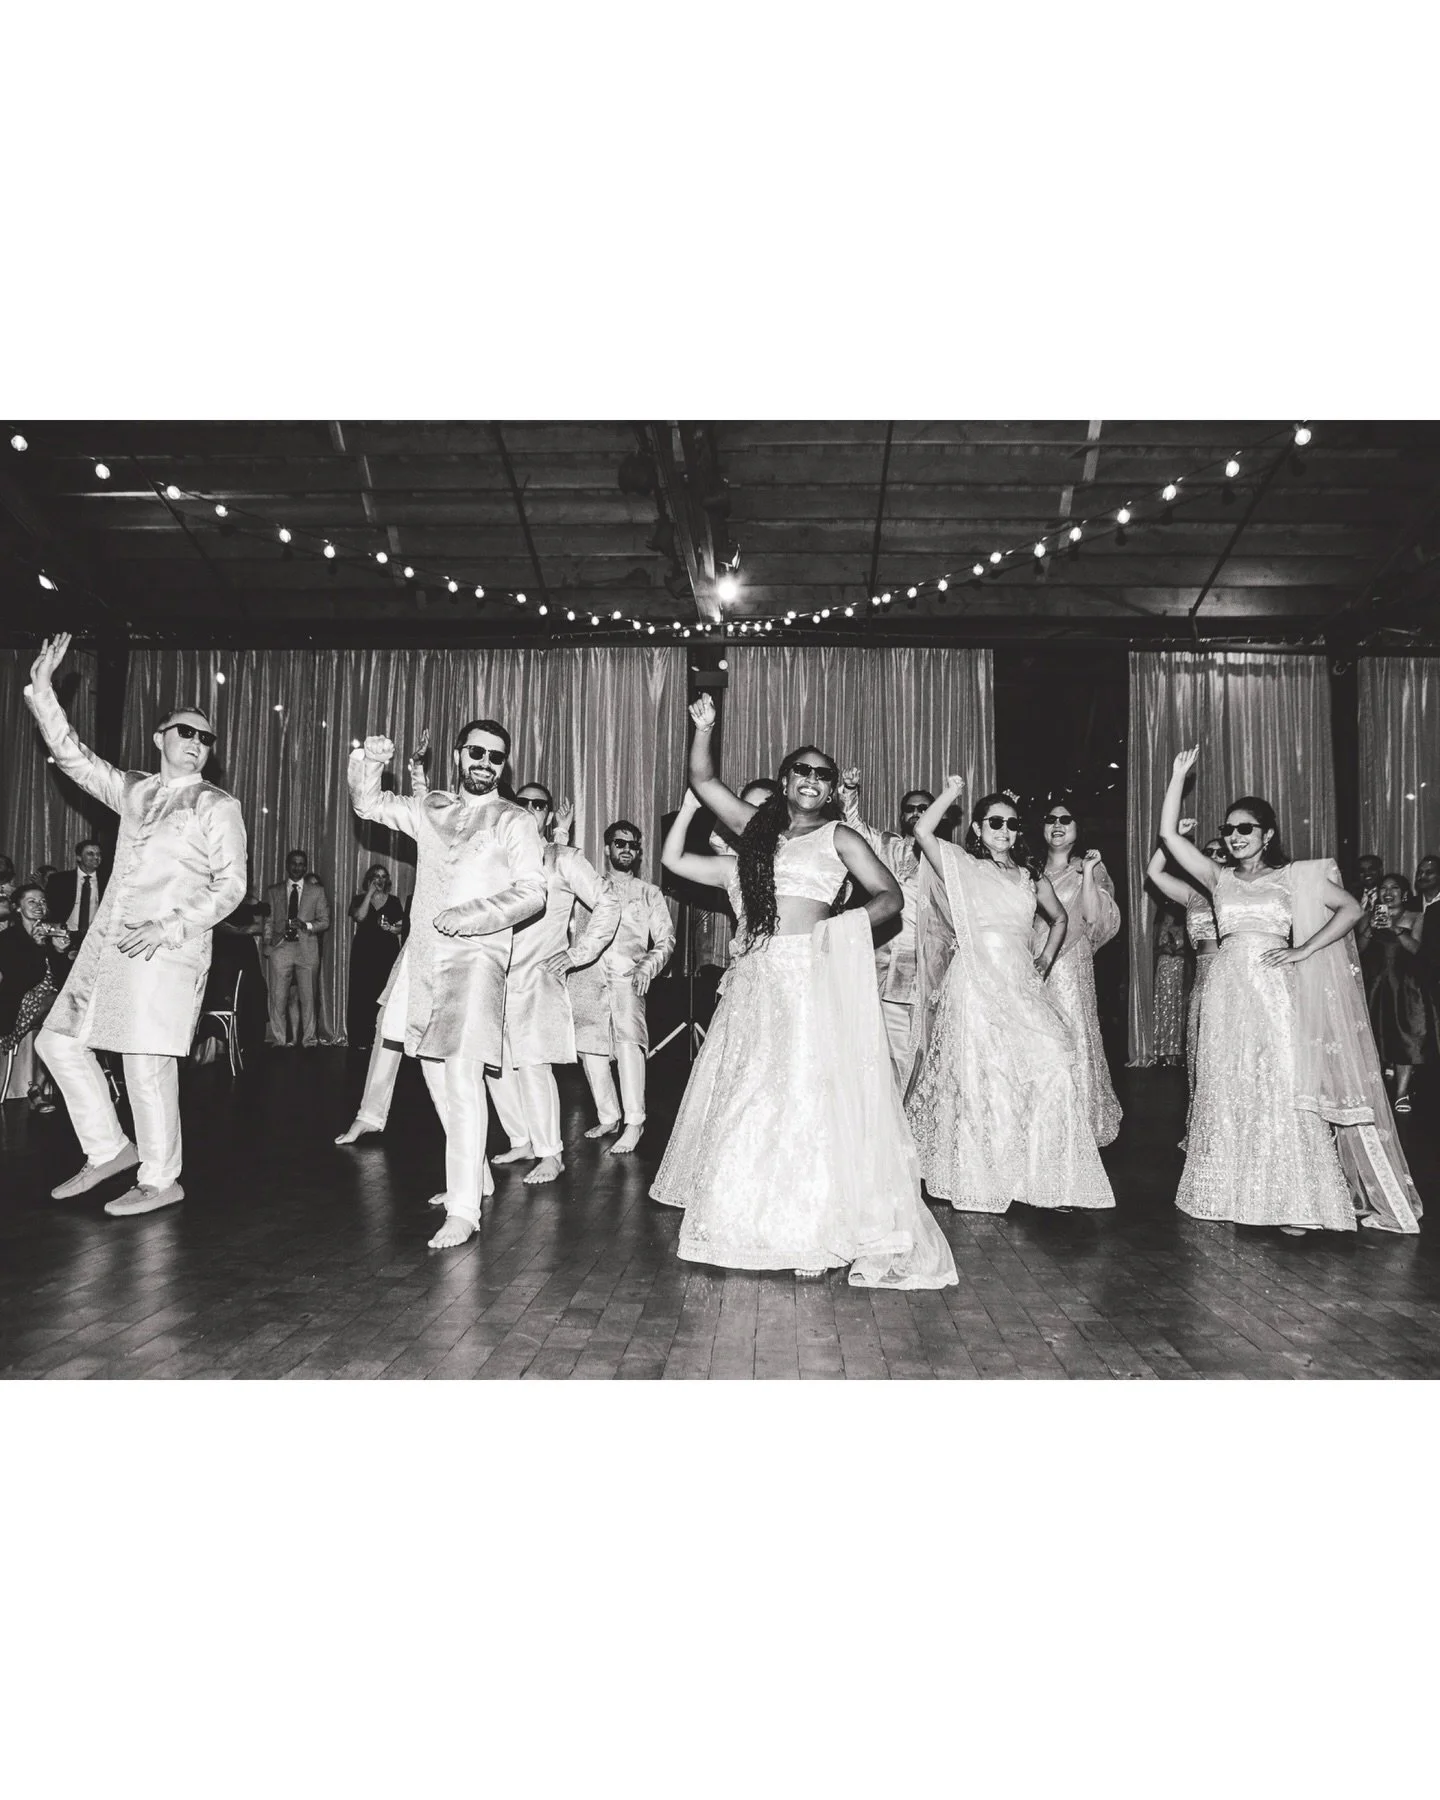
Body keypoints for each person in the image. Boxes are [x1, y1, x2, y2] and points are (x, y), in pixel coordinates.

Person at [651, 698, 956, 1289]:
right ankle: (743, 1222)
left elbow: (889, 898)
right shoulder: (757, 832)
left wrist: (834, 934)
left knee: (808, 1097)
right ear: (787, 780)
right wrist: (704, 728)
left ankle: (817, 1229)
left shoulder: (840, 836)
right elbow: (702, 779)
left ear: (832, 787)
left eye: (823, 774)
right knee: (751, 1095)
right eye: (803, 772)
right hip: (760, 978)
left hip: (812, 973)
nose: (813, 781)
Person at [25, 633, 248, 1215]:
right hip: (106, 947)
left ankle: (160, 1175)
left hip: (166, 951)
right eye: (186, 733)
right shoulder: (135, 790)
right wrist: (45, 692)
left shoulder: (217, 805)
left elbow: (233, 887)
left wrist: (172, 926)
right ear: (161, 738)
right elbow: (73, 757)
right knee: (56, 1041)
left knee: (144, 1061)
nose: (197, 743)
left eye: (206, 737)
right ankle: (108, 1150)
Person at [1158, 747, 1420, 1234]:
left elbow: (1350, 910)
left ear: (1267, 835)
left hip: (1275, 991)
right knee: (1227, 1084)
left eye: (1245, 829)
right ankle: (1230, 1191)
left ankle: (1294, 1198)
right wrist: (1177, 778)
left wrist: (1303, 952)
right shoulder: (1218, 879)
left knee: (1280, 1085)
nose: (1234, 837)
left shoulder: (1293, 877)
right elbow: (1170, 837)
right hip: (1225, 993)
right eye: (1228, 829)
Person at [348, 717, 545, 1249]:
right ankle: (474, 1175)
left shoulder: (514, 819)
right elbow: (368, 805)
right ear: (459, 755)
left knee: (461, 1078)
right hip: (423, 959)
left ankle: (463, 1210)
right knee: (431, 1068)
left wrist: (476, 915)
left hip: (477, 957)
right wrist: (370, 761)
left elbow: (533, 892)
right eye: (476, 752)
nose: (485, 763)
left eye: (496, 757)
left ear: (504, 765)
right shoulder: (431, 808)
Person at [904, 779, 1116, 1215]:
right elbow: (923, 833)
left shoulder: (1029, 875)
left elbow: (1059, 919)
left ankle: (1047, 1179)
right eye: (995, 822)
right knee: (985, 1081)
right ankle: (984, 1182)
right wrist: (950, 794)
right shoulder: (962, 865)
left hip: (1019, 980)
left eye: (1012, 824)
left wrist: (1042, 963)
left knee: (1053, 1063)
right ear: (978, 829)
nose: (1004, 830)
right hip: (975, 980)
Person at [486, 782, 620, 1183]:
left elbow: (608, 902)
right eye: (522, 803)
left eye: (539, 805)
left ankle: (551, 1153)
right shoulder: (498, 860)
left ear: (546, 813)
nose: (530, 810)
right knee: (495, 1067)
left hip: (538, 978)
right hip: (493, 976)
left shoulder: (563, 859)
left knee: (532, 1065)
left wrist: (578, 955)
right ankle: (521, 1139)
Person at [569, 819, 675, 1155]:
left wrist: (648, 965)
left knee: (630, 1046)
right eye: (619, 843)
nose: (626, 849)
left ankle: (634, 1121)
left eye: (632, 845)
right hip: (587, 979)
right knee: (591, 1050)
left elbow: (666, 939)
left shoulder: (649, 893)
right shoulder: (588, 888)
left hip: (628, 978)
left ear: (638, 851)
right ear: (607, 848)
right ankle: (608, 1116)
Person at [836, 772, 933, 1089]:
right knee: (885, 1048)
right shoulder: (888, 844)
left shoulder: (948, 858)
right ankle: (892, 1116)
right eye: (911, 809)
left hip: (927, 966)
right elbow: (855, 829)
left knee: (923, 1049)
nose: (916, 814)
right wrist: (850, 792)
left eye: (924, 808)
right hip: (881, 961)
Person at [1035, 794, 1122, 1143]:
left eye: (1065, 819)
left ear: (1078, 828)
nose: (1057, 824)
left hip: (1071, 966)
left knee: (1073, 1035)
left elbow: (1093, 918)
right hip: (1032, 963)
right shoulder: (1029, 870)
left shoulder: (1089, 868)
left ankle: (1077, 1123)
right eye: (1051, 819)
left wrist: (1086, 873)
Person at [1146, 824, 1224, 1132]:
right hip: (1203, 979)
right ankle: (1205, 1131)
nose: (1216, 856)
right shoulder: (1192, 894)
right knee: (1199, 1059)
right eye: (1209, 852)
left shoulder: (1238, 889)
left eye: (1222, 851)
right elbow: (1154, 873)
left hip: (1234, 977)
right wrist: (1170, 838)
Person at [1357, 873, 1432, 1114]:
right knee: (1372, 1037)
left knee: (1405, 1038)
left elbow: (1416, 950)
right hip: (1375, 984)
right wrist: (1370, 927)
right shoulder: (1368, 917)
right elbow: (1358, 949)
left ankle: (1401, 1093)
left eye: (1394, 888)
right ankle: (1374, 1092)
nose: (1388, 892)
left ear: (1405, 894)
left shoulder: (1416, 916)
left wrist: (1395, 929)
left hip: (1405, 986)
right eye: (1383, 888)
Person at [0, 883, 71, 1108]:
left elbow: (64, 979)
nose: (39, 905)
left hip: (51, 1005)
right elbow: (19, 979)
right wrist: (38, 945)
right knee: (64, 1013)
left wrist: (60, 952)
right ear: (17, 907)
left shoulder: (53, 933)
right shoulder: (8, 938)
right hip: (19, 1004)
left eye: (42, 901)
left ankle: (37, 1088)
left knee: (59, 1023)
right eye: (32, 901)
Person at [263, 849, 331, 1047]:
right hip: (281, 947)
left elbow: (325, 921)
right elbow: (268, 921)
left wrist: (307, 925)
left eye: (301, 864)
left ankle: (309, 1039)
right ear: (287, 865)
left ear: (306, 866)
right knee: (278, 996)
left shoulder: (316, 891)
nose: (297, 867)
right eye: (294, 863)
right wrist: (267, 943)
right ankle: (279, 1038)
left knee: (308, 996)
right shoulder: (274, 891)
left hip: (306, 947)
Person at [346, 863, 405, 1048]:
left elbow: (401, 926)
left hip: (386, 952)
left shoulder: (394, 901)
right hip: (364, 952)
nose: (379, 880)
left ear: (387, 880)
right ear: (369, 879)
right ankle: (361, 1039)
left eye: (383, 876)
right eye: (376, 876)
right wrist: (369, 895)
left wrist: (393, 928)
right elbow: (360, 917)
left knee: (383, 993)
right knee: (362, 994)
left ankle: (382, 1039)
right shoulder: (358, 899)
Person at [46, 838, 107, 955]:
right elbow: (50, 910)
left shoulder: (108, 881)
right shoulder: (59, 880)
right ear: (78, 857)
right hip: (65, 936)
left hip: (95, 938)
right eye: (90, 853)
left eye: (99, 854)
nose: (96, 857)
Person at [1151, 905, 1189, 1067]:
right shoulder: (1159, 926)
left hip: (1178, 968)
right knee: (1163, 1006)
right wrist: (1163, 949)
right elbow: (1152, 949)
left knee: (1176, 1006)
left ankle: (1175, 1051)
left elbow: (1191, 949)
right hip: (1164, 967)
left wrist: (1180, 951)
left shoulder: (1184, 927)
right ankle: (1160, 1050)